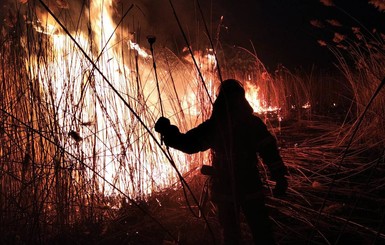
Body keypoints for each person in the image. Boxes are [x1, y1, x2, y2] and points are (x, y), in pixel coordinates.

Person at [155, 79, 288, 245]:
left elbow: (190, 144)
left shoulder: (216, 126)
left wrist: (169, 133)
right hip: (249, 185)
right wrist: (280, 178)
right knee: (261, 232)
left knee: (232, 235)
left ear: (220, 100)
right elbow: (270, 153)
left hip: (225, 188)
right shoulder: (252, 124)